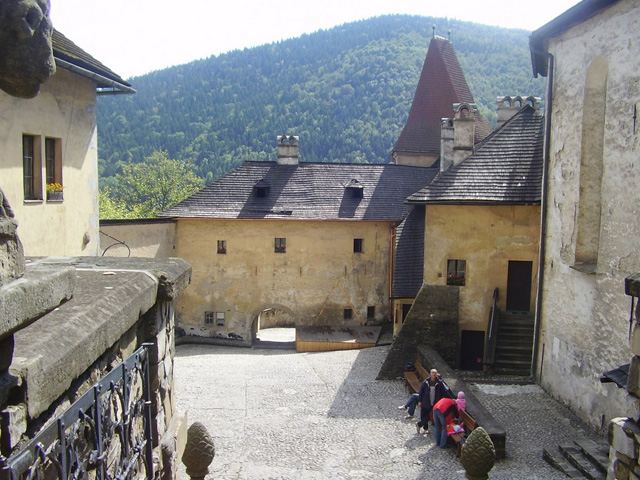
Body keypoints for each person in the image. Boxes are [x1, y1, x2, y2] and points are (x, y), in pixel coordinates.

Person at [415, 369, 446, 435]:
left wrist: (451, 399)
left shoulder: (439, 382)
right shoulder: (426, 382)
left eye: (435, 373)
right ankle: (425, 428)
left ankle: (419, 424)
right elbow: (421, 392)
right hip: (425, 401)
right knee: (423, 415)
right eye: (432, 373)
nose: (434, 374)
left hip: (434, 402)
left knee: (430, 416)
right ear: (430, 373)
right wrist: (420, 401)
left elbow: (444, 392)